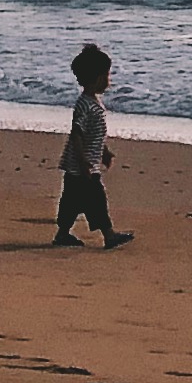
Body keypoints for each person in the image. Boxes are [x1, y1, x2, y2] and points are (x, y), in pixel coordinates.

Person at [50, 43, 132, 249]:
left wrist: (104, 151)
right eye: (106, 76)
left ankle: (63, 233)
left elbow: (95, 134)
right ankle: (108, 234)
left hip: (83, 166)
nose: (108, 80)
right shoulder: (84, 104)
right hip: (82, 167)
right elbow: (77, 134)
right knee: (95, 199)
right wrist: (83, 160)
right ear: (96, 79)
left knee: (72, 201)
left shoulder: (94, 103)